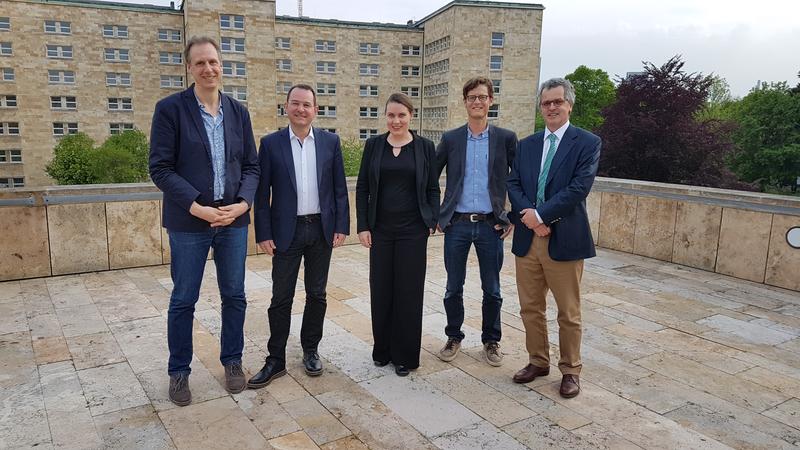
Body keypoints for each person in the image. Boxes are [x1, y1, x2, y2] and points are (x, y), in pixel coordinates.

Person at [149, 36, 259, 406]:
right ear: (189, 68)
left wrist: (243, 204)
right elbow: (160, 168)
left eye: (213, 61)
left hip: (232, 221)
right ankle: (179, 371)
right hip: (189, 223)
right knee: (183, 299)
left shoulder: (238, 112)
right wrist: (197, 207)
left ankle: (232, 361)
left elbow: (252, 167)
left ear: (221, 64)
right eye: (200, 63)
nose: (208, 69)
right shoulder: (170, 110)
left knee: (235, 296)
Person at [248, 84, 349, 388]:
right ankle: (275, 358)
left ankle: (310, 349)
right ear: (286, 107)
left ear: (315, 110)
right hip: (285, 232)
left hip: (320, 228)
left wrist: (341, 225)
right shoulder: (271, 144)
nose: (301, 109)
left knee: (317, 294)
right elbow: (261, 192)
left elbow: (339, 189)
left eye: (307, 105)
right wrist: (263, 233)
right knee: (281, 296)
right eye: (295, 103)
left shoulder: (330, 142)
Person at [507, 78, 601, 398]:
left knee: (568, 312)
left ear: (569, 104)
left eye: (557, 102)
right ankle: (538, 361)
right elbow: (514, 184)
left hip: (566, 239)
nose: (551, 107)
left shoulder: (586, 143)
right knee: (530, 308)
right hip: (528, 240)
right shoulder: (527, 144)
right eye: (546, 103)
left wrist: (542, 216)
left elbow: (578, 188)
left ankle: (571, 370)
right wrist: (532, 220)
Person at [435, 77, 517, 366]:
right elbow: (430, 178)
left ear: (490, 101)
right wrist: (438, 215)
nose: (477, 101)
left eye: (483, 96)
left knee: (492, 288)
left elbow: (517, 181)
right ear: (465, 101)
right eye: (472, 97)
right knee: (452, 287)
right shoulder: (451, 138)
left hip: (489, 224)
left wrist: (512, 218)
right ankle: (454, 335)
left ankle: (491, 340)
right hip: (456, 224)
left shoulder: (506, 138)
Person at [356, 93, 440, 376]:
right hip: (380, 230)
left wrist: (432, 218)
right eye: (391, 115)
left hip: (413, 231)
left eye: (401, 115)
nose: (396, 120)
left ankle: (405, 355)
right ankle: (382, 351)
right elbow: (363, 188)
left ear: (410, 116)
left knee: (408, 292)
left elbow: (432, 188)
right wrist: (363, 225)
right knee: (381, 290)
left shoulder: (425, 147)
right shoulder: (374, 145)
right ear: (386, 117)